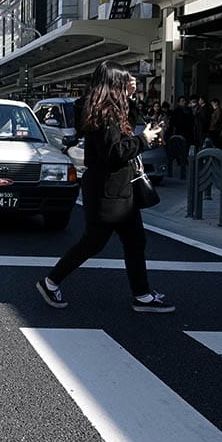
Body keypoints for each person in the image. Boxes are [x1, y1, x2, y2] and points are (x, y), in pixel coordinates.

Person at [36, 60, 173, 313]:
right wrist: (144, 140)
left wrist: (131, 98)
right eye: (126, 80)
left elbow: (130, 123)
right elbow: (114, 152)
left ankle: (142, 295)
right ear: (114, 83)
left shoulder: (106, 109)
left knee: (134, 241)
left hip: (117, 190)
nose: (130, 83)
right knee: (94, 243)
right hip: (108, 192)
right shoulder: (104, 114)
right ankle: (50, 281)